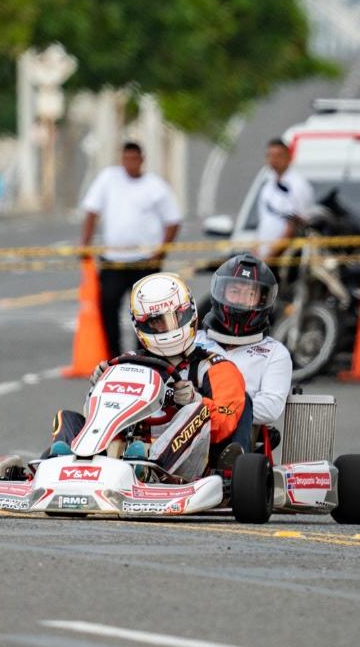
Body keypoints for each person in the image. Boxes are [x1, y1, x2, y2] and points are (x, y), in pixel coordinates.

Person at [47, 273, 249, 478]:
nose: (167, 327)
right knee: (67, 418)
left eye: (176, 317)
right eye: (156, 321)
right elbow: (99, 416)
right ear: (141, 325)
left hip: (186, 468)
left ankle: (149, 469)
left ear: (190, 312)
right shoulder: (127, 362)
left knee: (197, 411)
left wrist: (194, 399)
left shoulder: (216, 367)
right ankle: (64, 467)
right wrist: (100, 385)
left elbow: (225, 423)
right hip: (126, 451)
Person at [79, 142, 183, 358]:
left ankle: (144, 353)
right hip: (114, 260)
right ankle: (113, 354)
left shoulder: (155, 186)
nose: (130, 163)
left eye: (134, 159)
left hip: (144, 261)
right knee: (108, 305)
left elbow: (173, 220)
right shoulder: (108, 179)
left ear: (142, 159)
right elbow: (91, 211)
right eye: (126, 159)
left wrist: (160, 252)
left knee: (147, 310)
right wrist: (85, 243)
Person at [198, 254, 292, 445]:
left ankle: (232, 458)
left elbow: (271, 408)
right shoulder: (194, 341)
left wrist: (221, 407)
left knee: (243, 399)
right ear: (220, 292)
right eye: (234, 292)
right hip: (187, 430)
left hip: (237, 441)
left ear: (262, 301)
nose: (240, 301)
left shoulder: (275, 353)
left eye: (249, 294)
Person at [253, 139, 315, 262]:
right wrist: (256, 250)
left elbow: (295, 226)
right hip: (264, 254)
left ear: (289, 158)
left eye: (278, 156)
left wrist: (271, 256)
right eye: (270, 156)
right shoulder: (268, 186)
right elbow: (264, 222)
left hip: (286, 258)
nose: (274, 160)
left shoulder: (297, 185)